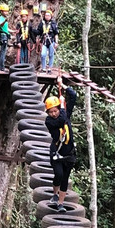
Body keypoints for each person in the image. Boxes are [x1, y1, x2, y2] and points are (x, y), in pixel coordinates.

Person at [44, 77, 77, 211]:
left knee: (65, 178)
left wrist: (62, 85)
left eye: (55, 111)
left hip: (69, 153)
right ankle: (54, 194)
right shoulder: (49, 121)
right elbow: (61, 120)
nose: (53, 114)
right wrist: (62, 106)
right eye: (51, 112)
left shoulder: (64, 113)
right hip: (57, 152)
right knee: (59, 174)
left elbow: (73, 96)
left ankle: (61, 203)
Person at [27, 4, 45, 70]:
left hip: (45, 38)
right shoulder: (41, 23)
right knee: (32, 31)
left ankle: (42, 66)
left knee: (43, 54)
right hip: (39, 35)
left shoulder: (49, 23)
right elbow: (39, 31)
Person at [40, 7, 58, 72]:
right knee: (43, 54)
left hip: (51, 41)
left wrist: (56, 42)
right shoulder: (42, 23)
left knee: (51, 55)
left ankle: (50, 68)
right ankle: (43, 68)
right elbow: (39, 31)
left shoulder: (53, 23)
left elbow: (56, 33)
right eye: (46, 15)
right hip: (44, 41)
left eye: (48, 15)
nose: (47, 16)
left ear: (51, 16)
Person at [0, 3, 11, 71]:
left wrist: (13, 31)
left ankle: (0, 66)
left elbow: (6, 29)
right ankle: (1, 67)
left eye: (7, 11)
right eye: (5, 11)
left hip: (5, 35)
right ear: (1, 12)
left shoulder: (4, 19)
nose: (6, 13)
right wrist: (5, 21)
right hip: (3, 36)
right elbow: (1, 25)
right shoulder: (1, 18)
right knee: (3, 51)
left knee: (3, 51)